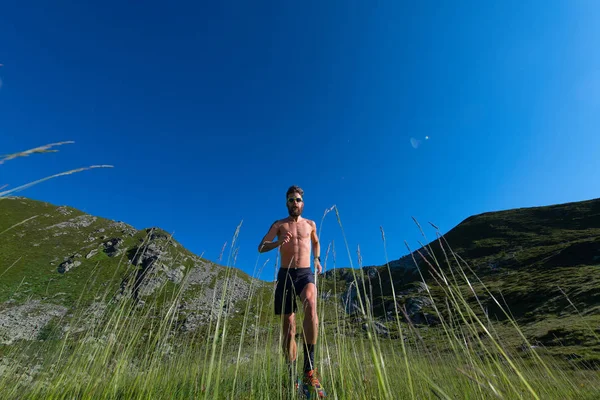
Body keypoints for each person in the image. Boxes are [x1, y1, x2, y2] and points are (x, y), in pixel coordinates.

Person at [258, 185, 326, 398]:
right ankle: (291, 376)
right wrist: (278, 242)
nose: (294, 203)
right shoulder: (279, 224)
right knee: (289, 326)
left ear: (302, 203)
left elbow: (316, 242)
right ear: (286, 203)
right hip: (285, 274)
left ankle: (309, 371)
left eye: (297, 199)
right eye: (290, 200)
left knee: (311, 304)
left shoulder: (311, 224)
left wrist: (317, 259)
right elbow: (261, 246)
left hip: (305, 273)